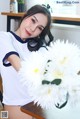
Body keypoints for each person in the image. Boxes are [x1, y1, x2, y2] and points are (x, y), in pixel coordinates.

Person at [0, 4, 53, 119]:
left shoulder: (39, 45)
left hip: (39, 103)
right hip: (16, 106)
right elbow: (18, 65)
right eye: (33, 20)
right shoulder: (4, 38)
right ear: (25, 16)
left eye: (40, 28)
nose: (33, 29)